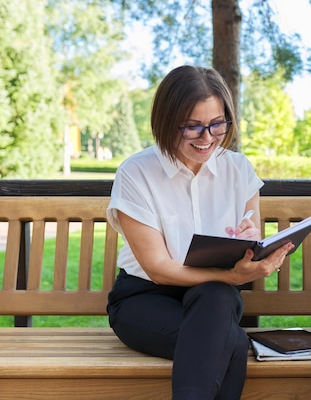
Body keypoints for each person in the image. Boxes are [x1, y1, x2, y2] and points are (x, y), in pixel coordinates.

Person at [106, 65, 293, 400]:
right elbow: (157, 268)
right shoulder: (136, 173)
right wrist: (233, 277)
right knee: (231, 341)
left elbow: (252, 236)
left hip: (215, 300)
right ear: (166, 122)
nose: (207, 138)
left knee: (217, 299)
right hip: (145, 299)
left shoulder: (238, 170)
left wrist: (252, 245)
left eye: (217, 124)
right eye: (193, 127)